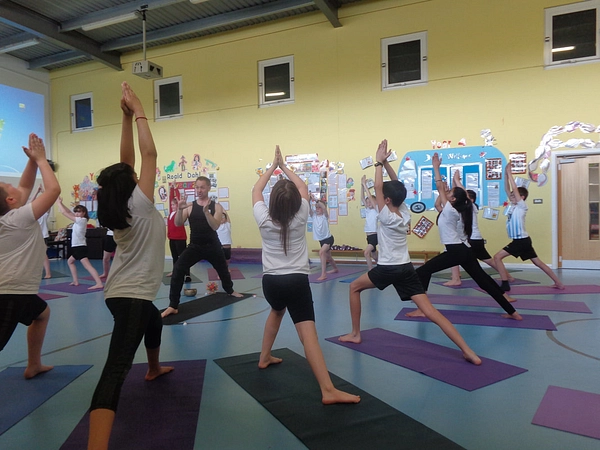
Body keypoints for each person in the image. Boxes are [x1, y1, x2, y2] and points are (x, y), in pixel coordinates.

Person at [338, 140, 481, 365]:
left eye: (381, 196)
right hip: (406, 268)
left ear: (386, 201)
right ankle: (467, 349)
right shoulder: (403, 211)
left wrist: (377, 161)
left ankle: (355, 334)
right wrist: (385, 163)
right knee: (430, 311)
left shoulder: (386, 215)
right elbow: (396, 184)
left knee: (354, 288)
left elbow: (379, 187)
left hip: (388, 268)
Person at [88, 81, 174, 450]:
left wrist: (123, 119)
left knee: (153, 321)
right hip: (133, 297)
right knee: (116, 370)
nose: (141, 175)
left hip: (121, 293)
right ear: (133, 186)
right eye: (136, 177)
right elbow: (149, 155)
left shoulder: (117, 206)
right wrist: (139, 110)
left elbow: (127, 163)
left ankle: (154, 368)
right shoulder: (139, 203)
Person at [253, 145, 361, 404]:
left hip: (271, 282)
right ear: (294, 202)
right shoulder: (301, 213)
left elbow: (256, 189)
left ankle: (264, 357)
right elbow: (301, 187)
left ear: (272, 201)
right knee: (307, 332)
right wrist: (285, 167)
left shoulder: (263, 217)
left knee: (277, 311)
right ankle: (328, 390)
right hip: (296, 281)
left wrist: (273, 166)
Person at [408, 153, 522, 320]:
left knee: (422, 272)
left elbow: (439, 187)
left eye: (450, 193)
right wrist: (448, 188)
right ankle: (513, 312)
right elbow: (443, 195)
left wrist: (436, 167)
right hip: (465, 250)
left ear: (453, 199)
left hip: (455, 251)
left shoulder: (450, 210)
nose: (446, 193)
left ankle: (422, 309)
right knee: (484, 281)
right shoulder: (460, 209)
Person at [0, 133, 60, 378]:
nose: (15, 185)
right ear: (11, 200)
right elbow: (53, 189)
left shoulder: (10, 214)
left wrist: (33, 161)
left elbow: (24, 187)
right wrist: (43, 160)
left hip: (18, 290)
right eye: (8, 185)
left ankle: (33, 364)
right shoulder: (17, 219)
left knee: (42, 314)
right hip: (9, 293)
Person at [161, 177, 242, 318]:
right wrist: (180, 210)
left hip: (213, 246)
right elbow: (179, 223)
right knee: (178, 268)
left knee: (223, 270)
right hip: (195, 247)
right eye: (197, 187)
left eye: (202, 187)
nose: (199, 190)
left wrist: (206, 213)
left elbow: (215, 225)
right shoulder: (190, 206)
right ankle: (173, 305)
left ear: (209, 188)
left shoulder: (216, 207)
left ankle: (230, 290)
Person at [493, 162, 564, 291]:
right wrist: (505, 173)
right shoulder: (513, 205)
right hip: (522, 240)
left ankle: (505, 283)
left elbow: (514, 189)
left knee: (497, 257)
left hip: (521, 241)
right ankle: (558, 283)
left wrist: (510, 173)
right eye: (512, 196)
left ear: (522, 197)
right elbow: (507, 189)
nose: (511, 197)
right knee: (538, 263)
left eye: (514, 196)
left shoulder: (522, 206)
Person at [443, 171, 514, 287]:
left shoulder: (471, 207)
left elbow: (462, 194)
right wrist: (454, 182)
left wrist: (457, 180)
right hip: (475, 239)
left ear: (470, 200)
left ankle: (456, 279)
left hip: (471, 239)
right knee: (487, 260)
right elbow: (457, 195)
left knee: (454, 255)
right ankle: (506, 275)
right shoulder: (459, 208)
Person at [56, 200, 103, 289]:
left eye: (79, 212)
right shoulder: (78, 220)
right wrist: (61, 203)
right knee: (70, 261)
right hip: (77, 247)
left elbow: (64, 212)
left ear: (84, 213)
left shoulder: (82, 220)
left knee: (87, 266)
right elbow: (69, 212)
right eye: (76, 212)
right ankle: (75, 281)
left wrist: (58, 203)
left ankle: (99, 283)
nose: (77, 214)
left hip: (80, 247)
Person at [310, 200, 338, 280]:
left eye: (319, 207)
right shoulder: (314, 216)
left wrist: (317, 201)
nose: (317, 209)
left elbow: (324, 208)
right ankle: (335, 269)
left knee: (321, 252)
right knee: (328, 256)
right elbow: (309, 208)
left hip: (328, 239)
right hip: (321, 241)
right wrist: (310, 199)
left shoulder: (325, 216)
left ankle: (323, 274)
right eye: (316, 208)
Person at [166, 195, 191, 281]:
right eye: (172, 205)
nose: (172, 206)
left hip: (180, 239)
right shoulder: (170, 214)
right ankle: (175, 272)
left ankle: (187, 275)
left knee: (183, 257)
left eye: (174, 204)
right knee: (175, 257)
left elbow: (176, 198)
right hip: (172, 238)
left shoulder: (179, 213)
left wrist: (174, 189)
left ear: (178, 205)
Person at [33, 185, 52, 278]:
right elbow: (30, 204)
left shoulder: (44, 214)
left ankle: (48, 273)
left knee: (43, 255)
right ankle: (38, 272)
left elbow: (48, 204)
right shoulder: (33, 216)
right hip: (35, 237)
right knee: (36, 255)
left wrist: (44, 193)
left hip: (43, 236)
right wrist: (37, 192)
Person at [361, 175, 378, 270]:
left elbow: (369, 197)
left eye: (370, 202)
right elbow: (362, 197)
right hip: (369, 236)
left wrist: (365, 184)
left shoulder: (376, 209)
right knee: (375, 256)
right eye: (367, 203)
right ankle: (382, 268)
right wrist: (361, 185)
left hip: (375, 235)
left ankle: (371, 272)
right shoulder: (368, 210)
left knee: (366, 253)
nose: (368, 203)